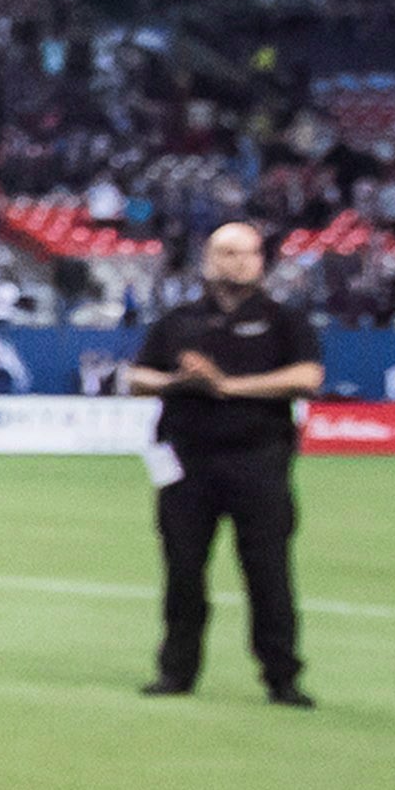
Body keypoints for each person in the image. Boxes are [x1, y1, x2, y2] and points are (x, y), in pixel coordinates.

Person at [118, 220, 318, 705]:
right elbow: (137, 376)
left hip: (259, 458)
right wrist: (181, 381)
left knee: (268, 572)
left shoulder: (283, 320)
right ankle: (177, 670)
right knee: (183, 570)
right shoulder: (179, 321)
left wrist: (226, 386)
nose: (239, 261)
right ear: (209, 260)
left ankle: (282, 675)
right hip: (187, 462)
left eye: (248, 253)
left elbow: (307, 375)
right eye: (228, 253)